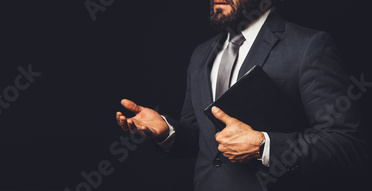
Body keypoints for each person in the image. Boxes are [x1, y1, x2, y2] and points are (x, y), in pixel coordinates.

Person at [115, 0, 367, 190]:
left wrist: (264, 146)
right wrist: (167, 131)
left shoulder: (308, 46)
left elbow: (348, 146)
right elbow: (203, 139)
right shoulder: (201, 54)